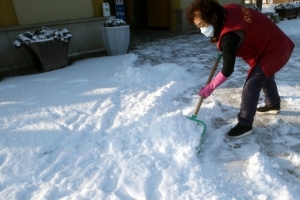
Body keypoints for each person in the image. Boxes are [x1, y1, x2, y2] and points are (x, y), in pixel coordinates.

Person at [186, 0, 295, 138]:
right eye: (199, 27)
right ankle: (273, 104)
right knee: (264, 74)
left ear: (213, 18)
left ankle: (245, 124)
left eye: (202, 25)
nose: (202, 30)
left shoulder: (230, 36)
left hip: (275, 48)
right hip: (273, 41)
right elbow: (227, 33)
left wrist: (211, 87)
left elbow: (227, 70)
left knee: (252, 84)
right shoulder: (227, 11)